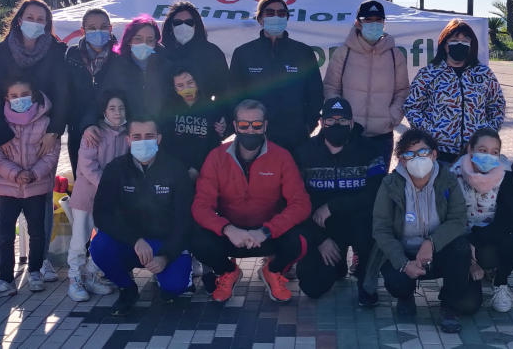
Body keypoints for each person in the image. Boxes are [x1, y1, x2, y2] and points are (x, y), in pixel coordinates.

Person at [0, 0, 70, 290]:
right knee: (5, 198)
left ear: (47, 24)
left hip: (42, 130)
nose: (35, 23)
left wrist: (54, 130)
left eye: (41, 19)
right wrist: (0, 135)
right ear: (19, 20)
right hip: (9, 131)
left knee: (41, 197)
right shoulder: (5, 49)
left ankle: (40, 262)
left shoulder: (56, 50)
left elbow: (63, 93)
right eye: (30, 17)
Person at [191, 99, 312, 304]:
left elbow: (301, 203)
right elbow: (201, 205)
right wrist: (227, 229)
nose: (250, 130)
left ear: (265, 125)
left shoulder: (281, 156)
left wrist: (267, 230)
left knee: (301, 241)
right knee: (197, 240)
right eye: (244, 125)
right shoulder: (216, 157)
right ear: (235, 125)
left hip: (267, 233)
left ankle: (273, 270)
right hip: (231, 235)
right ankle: (228, 271)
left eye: (256, 125)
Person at [364, 128, 474, 334]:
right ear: (402, 160)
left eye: (423, 152)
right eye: (409, 154)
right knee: (397, 283)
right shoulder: (390, 184)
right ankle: (406, 296)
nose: (417, 159)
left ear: (434, 154)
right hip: (404, 251)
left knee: (461, 248)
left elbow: (458, 220)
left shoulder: (447, 179)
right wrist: (403, 263)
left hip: (438, 251)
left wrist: (431, 243)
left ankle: (449, 304)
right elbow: (381, 229)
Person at [91, 115, 195, 316]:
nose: (143, 141)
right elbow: (102, 215)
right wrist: (135, 240)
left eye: (149, 136)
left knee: (176, 286)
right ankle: (127, 288)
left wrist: (166, 255)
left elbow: (185, 220)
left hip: (164, 243)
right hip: (130, 243)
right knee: (99, 245)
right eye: (137, 137)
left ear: (159, 139)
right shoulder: (116, 169)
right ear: (128, 140)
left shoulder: (175, 169)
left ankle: (167, 281)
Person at [294, 97, 386, 305]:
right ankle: (338, 263)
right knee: (312, 286)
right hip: (322, 226)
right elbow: (296, 200)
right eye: (331, 121)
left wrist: (334, 206)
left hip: (360, 222)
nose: (337, 125)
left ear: (351, 122)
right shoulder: (305, 152)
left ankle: (366, 278)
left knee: (371, 228)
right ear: (321, 123)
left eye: (343, 120)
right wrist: (319, 239)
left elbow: (377, 192)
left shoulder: (369, 149)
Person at [0, 79, 61, 299]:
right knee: (5, 235)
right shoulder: (0, 124)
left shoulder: (46, 124)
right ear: (6, 99)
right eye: (14, 96)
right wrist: (15, 174)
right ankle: (6, 279)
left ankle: (35, 271)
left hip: (36, 187)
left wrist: (34, 173)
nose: (19, 100)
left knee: (37, 232)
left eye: (24, 94)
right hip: (8, 188)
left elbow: (52, 154)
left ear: (33, 96)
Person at [228, 0, 324, 151]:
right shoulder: (243, 53)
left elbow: (316, 94)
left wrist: (307, 125)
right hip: (255, 138)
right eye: (270, 13)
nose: (276, 17)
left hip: (295, 139)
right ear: (260, 19)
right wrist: (245, 128)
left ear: (287, 18)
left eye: (281, 13)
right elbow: (233, 96)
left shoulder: (303, 52)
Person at [404, 19, 506, 166]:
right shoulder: (428, 74)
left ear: (471, 45)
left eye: (465, 41)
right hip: (439, 155)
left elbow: (497, 106)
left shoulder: (484, 74)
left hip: (476, 156)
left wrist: (486, 134)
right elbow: (412, 107)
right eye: (454, 40)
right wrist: (431, 133)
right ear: (445, 45)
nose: (460, 44)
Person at [323, 0, 410, 166]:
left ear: (384, 23)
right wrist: (341, 118)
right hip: (349, 135)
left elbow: (402, 90)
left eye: (378, 20)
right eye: (368, 20)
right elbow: (331, 88)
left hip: (382, 137)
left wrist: (392, 117)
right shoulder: (343, 53)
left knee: (378, 181)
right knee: (349, 180)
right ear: (358, 23)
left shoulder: (395, 55)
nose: (374, 24)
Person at [449, 128, 513, 313]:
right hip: (458, 242)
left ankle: (500, 283)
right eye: (482, 150)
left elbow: (508, 220)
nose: (488, 156)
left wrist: (475, 239)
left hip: (488, 238)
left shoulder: (506, 176)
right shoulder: (452, 176)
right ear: (470, 150)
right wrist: (469, 258)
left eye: (494, 152)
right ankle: (464, 275)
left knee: (512, 244)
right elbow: (447, 218)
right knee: (467, 305)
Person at [66, 90, 128, 302]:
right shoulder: (94, 133)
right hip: (87, 195)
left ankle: (90, 274)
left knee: (105, 239)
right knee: (80, 238)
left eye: (121, 108)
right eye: (112, 108)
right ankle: (74, 278)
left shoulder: (127, 134)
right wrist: (109, 186)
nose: (117, 113)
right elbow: (87, 165)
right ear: (104, 111)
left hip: (110, 199)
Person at [83, 15, 173, 137]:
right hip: (127, 137)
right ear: (129, 40)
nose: (144, 44)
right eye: (138, 39)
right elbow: (101, 98)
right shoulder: (117, 67)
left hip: (161, 135)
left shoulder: (167, 68)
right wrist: (89, 123)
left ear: (155, 43)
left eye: (150, 40)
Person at [65, 8, 117, 178]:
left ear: (110, 29)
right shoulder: (71, 55)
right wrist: (79, 124)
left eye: (103, 27)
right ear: (83, 30)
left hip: (113, 130)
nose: (98, 31)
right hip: (79, 131)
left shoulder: (120, 56)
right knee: (83, 182)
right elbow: (66, 94)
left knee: (112, 182)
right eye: (92, 28)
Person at [160, 0, 230, 109]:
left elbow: (224, 92)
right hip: (167, 115)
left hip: (203, 114)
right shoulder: (161, 52)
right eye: (177, 22)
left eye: (189, 22)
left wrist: (220, 115)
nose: (183, 26)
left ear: (196, 25)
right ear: (170, 25)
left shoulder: (212, 53)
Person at [162, 64, 225, 180]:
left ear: (197, 81)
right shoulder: (168, 109)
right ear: (175, 88)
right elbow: (165, 142)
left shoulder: (212, 108)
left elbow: (214, 144)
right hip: (175, 172)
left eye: (190, 83)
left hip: (205, 173)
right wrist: (179, 169)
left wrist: (199, 168)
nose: (186, 89)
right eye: (180, 85)